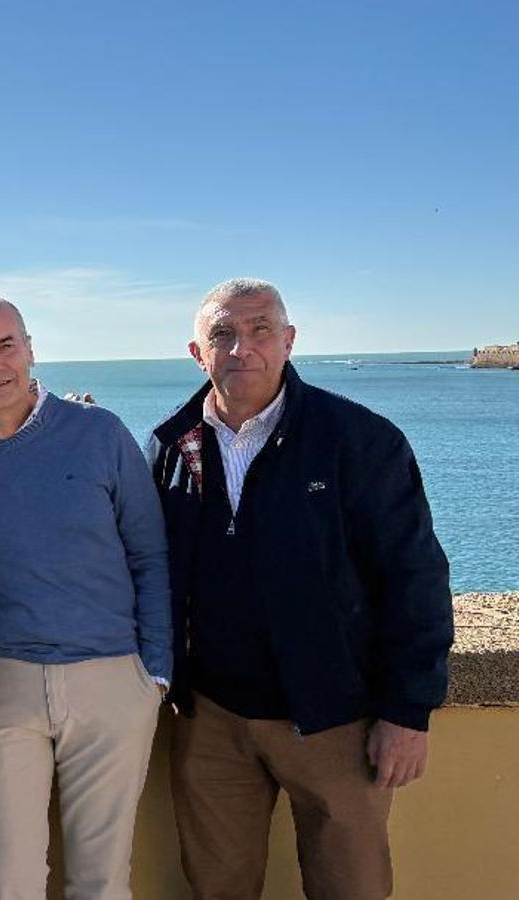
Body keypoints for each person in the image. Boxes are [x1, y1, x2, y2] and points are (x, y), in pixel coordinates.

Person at [147, 278, 453, 900]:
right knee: (217, 887)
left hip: (336, 719)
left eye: (261, 330)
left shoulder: (359, 441)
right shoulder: (171, 444)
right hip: (210, 718)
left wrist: (407, 710)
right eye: (223, 335)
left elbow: (414, 576)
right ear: (197, 353)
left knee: (352, 889)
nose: (243, 348)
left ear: (289, 341)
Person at [0, 294, 171, 900]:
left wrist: (153, 674)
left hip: (112, 681)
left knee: (102, 882)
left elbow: (150, 554)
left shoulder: (99, 432)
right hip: (1, 682)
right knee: (10, 881)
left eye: (6, 346)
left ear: (31, 350)